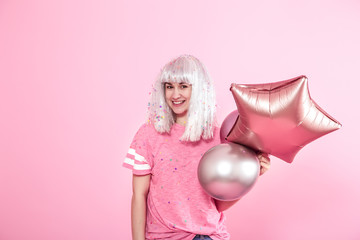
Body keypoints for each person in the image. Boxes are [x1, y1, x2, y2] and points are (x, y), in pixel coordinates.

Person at [123, 55, 270, 240]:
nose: (175, 95)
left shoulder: (219, 138)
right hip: (164, 237)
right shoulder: (148, 135)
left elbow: (218, 204)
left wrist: (251, 175)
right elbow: (138, 196)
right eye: (169, 86)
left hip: (209, 236)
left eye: (183, 86)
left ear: (199, 89)